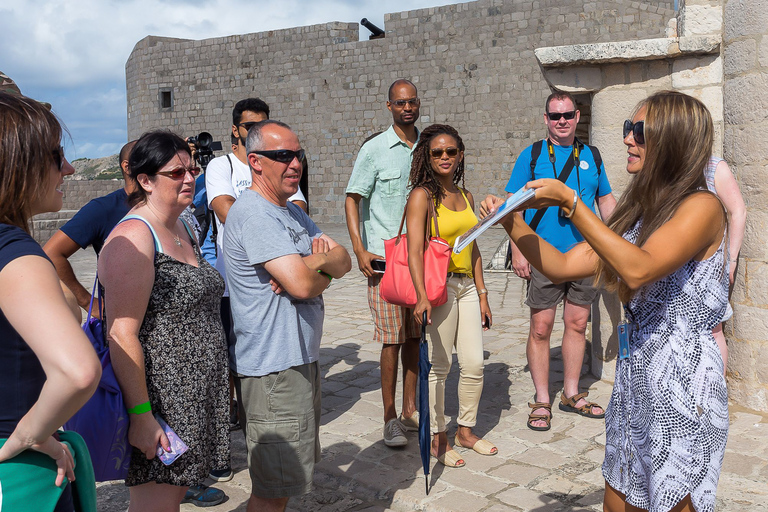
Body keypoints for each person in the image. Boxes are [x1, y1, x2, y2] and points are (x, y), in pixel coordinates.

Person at [482, 91, 729, 512]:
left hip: (682, 380)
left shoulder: (701, 206)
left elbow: (639, 268)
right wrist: (512, 221)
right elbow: (561, 265)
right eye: (626, 130)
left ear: (671, 138)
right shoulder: (640, 208)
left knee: (672, 501)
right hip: (635, 377)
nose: (628, 140)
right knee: (618, 496)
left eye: (638, 131)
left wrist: (571, 203)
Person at [223, 120, 351, 512]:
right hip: (273, 368)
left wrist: (317, 261)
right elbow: (300, 286)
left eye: (299, 155)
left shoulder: (290, 213)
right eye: (283, 156)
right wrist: (310, 268)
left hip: (298, 359)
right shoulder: (256, 215)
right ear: (256, 162)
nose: (295, 163)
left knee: (285, 482)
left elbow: (344, 260)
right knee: (272, 490)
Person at [98, 131, 230, 511]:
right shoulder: (135, 236)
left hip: (196, 393)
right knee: (155, 505)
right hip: (162, 398)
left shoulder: (184, 226)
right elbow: (121, 333)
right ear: (145, 180)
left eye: (192, 169)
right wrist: (142, 415)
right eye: (176, 173)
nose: (190, 178)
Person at [0, 92, 101, 510]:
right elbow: (77, 372)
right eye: (55, 155)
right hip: (20, 471)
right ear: (15, 164)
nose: (70, 168)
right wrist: (32, 435)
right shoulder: (14, 252)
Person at [505, 90, 617, 431]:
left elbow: (607, 202)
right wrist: (519, 250)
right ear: (546, 119)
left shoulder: (592, 156)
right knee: (541, 328)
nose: (562, 121)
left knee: (577, 324)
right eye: (555, 116)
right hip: (543, 254)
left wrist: (617, 244)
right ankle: (542, 399)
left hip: (585, 255)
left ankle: (570, 393)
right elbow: (511, 204)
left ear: (577, 117)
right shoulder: (534, 154)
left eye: (568, 114)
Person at [406, 124, 495, 468]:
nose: (445, 157)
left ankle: (466, 431)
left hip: (467, 287)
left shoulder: (466, 196)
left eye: (451, 152)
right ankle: (437, 437)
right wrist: (421, 295)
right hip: (437, 288)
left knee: (473, 362)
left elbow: (472, 248)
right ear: (426, 157)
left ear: (460, 155)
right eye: (437, 152)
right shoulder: (422, 196)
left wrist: (483, 293)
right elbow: (414, 251)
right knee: (439, 367)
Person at [345, 79, 421, 447]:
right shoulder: (374, 150)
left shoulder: (429, 148)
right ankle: (389, 417)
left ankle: (410, 410)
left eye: (412, 102)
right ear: (389, 106)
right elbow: (352, 198)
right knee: (391, 340)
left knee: (415, 338)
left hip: (421, 261)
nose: (407, 108)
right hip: (385, 261)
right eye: (400, 103)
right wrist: (359, 249)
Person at [43, 140, 137, 317]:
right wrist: (88, 302)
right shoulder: (103, 208)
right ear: (127, 167)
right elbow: (51, 253)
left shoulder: (172, 209)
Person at [704, 156, 745, 373]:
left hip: (710, 266)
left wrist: (731, 259)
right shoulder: (667, 161)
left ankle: (715, 397)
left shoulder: (713, 167)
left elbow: (738, 211)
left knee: (713, 329)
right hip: (673, 265)